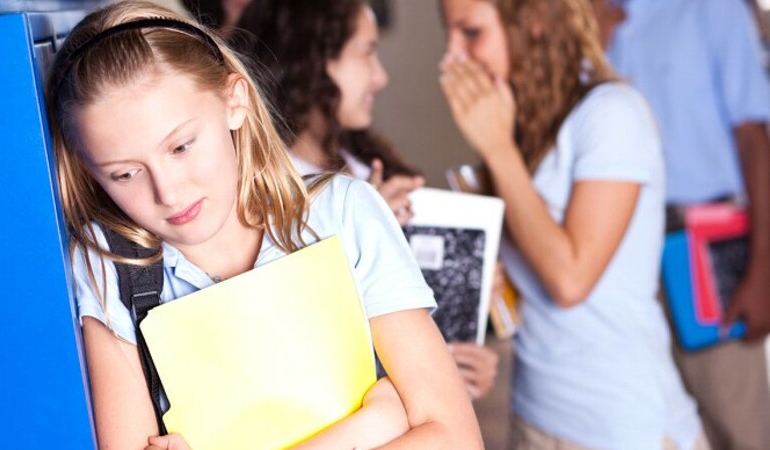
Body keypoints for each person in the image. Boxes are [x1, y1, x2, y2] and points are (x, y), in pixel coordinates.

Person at [45, 2, 483, 449]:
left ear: (234, 102)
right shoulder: (110, 267)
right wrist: (372, 423)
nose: (169, 192)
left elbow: (456, 439)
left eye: (181, 147)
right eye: (124, 174)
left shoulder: (344, 213)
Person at [438, 0, 705, 448]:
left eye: (470, 32)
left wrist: (498, 150)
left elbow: (570, 279)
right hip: (534, 413)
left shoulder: (613, 114)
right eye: (448, 35)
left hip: (620, 425)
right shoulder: (519, 127)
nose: (451, 56)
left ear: (532, 22)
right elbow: (526, 285)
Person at [237, 0, 500, 400]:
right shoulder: (255, 190)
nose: (380, 77)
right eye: (366, 53)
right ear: (314, 59)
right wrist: (359, 234)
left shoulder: (365, 163)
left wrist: (465, 323)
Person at [603, 0, 770, 448]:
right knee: (658, 427)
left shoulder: (711, 7)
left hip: (703, 242)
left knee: (737, 423)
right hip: (618, 251)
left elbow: (753, 134)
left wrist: (763, 268)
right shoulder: (591, 16)